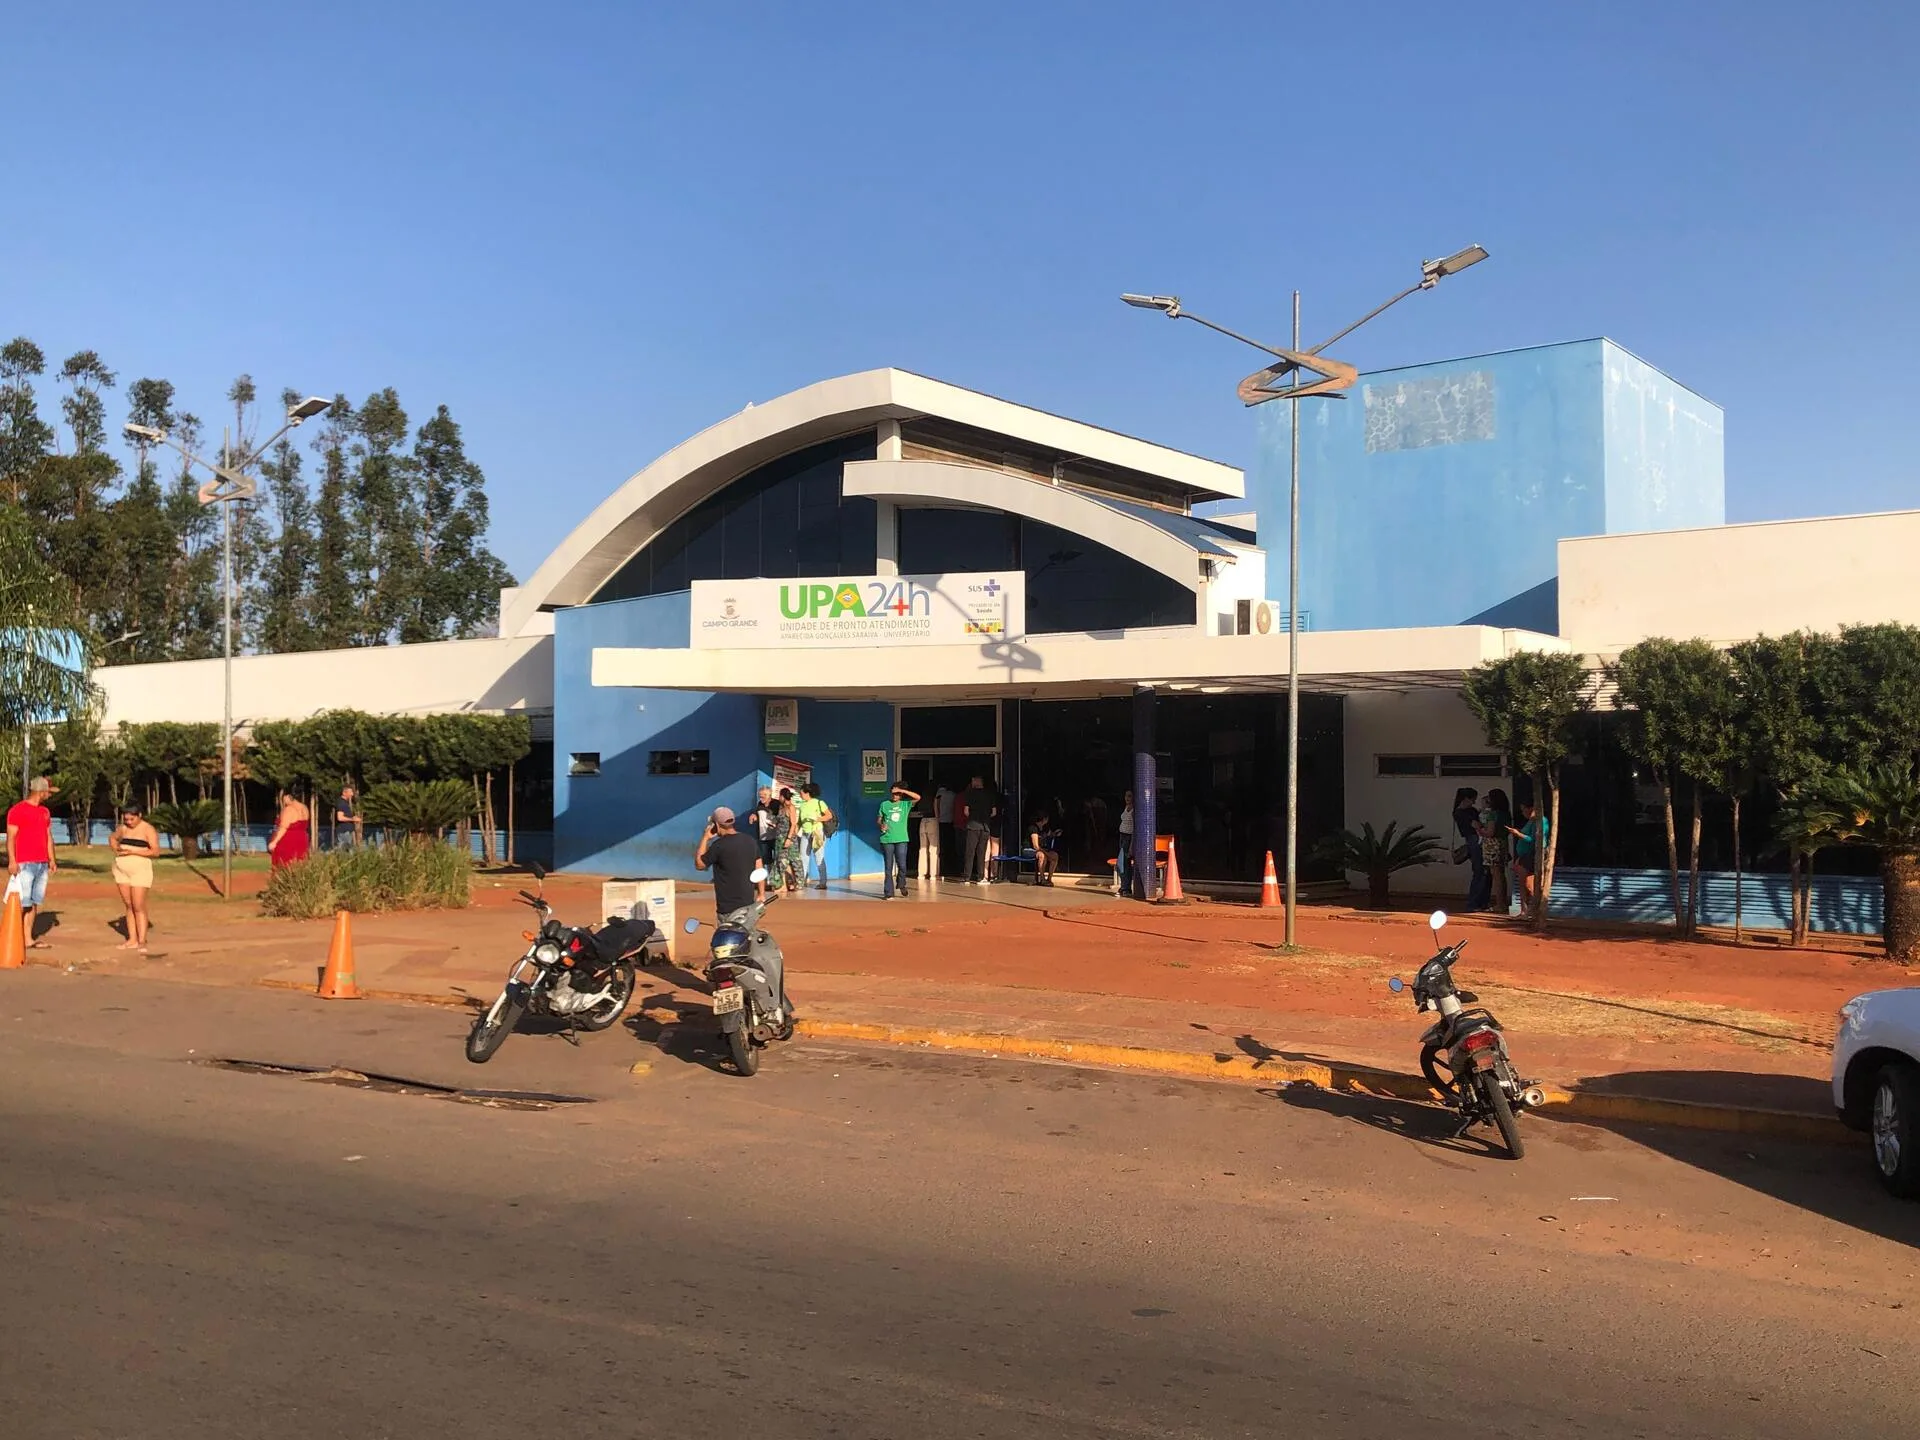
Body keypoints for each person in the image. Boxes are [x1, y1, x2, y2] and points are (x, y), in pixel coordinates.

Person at [5, 776, 59, 949]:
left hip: (41, 863)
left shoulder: (44, 812)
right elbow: (11, 837)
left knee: (34, 901)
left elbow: (48, 836)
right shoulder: (17, 810)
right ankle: (12, 936)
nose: (49, 796)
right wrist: (12, 861)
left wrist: (51, 859)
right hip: (24, 863)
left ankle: (27, 938)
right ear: (41, 792)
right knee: (22, 901)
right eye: (48, 792)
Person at [694, 805, 763, 918]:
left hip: (728, 909)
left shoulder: (718, 846)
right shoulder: (750, 841)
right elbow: (759, 868)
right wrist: (761, 893)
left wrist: (705, 838)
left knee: (727, 935)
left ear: (716, 825)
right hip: (749, 906)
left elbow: (699, 864)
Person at [110, 804, 160, 950]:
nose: (129, 822)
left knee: (138, 905)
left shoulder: (148, 829)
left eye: (132, 819)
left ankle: (142, 940)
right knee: (129, 905)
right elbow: (113, 838)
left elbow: (155, 851)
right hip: (122, 870)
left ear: (139, 816)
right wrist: (116, 848)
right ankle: (132, 939)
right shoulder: (123, 828)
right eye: (126, 819)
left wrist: (133, 852)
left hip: (140, 870)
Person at [1508, 798, 1550, 918]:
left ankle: (1535, 909)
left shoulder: (1541, 821)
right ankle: (1524, 910)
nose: (1523, 813)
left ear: (1531, 808)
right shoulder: (1530, 821)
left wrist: (1517, 834)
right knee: (1522, 883)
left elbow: (1534, 840)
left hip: (1532, 855)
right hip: (1524, 856)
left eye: (1524, 810)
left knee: (1529, 884)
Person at [876, 781, 918, 898]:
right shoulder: (884, 804)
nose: (895, 796)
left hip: (901, 839)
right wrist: (881, 825)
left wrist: (902, 790)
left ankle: (901, 884)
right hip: (887, 839)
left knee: (902, 865)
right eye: (893, 793)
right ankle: (888, 892)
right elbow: (879, 818)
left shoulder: (905, 804)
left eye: (897, 794)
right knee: (888, 867)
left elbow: (918, 797)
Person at [1478, 788, 1512, 917]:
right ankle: (1502, 901)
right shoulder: (1506, 813)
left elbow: (1490, 832)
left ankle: (1500, 903)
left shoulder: (1493, 814)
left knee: (1496, 874)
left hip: (1493, 845)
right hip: (1502, 843)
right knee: (1501, 874)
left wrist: (1479, 829)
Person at [1453, 786, 1488, 912]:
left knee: (1481, 871)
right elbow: (1477, 825)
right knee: (1479, 871)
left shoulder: (1462, 812)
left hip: (1473, 839)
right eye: (1473, 799)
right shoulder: (1463, 813)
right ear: (1466, 798)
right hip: (1474, 840)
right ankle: (1474, 902)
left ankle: (1480, 901)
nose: (1474, 801)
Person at [794, 782, 833, 891]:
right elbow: (800, 821)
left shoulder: (819, 803)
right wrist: (796, 828)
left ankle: (823, 882)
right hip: (805, 834)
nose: (800, 794)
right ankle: (801, 881)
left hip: (817, 833)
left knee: (819, 857)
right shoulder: (802, 805)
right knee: (803, 857)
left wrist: (816, 818)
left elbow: (828, 816)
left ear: (807, 793)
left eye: (801, 792)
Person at [959, 775, 994, 886]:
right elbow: (994, 812)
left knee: (970, 852)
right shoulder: (989, 794)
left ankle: (967, 878)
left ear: (976, 782)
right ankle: (981, 877)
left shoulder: (970, 794)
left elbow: (966, 811)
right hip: (985, 827)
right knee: (981, 852)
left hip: (973, 826)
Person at [268, 790, 312, 870]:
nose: (283, 800)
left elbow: (283, 827)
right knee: (300, 863)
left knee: (285, 865)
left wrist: (274, 842)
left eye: (283, 797)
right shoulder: (304, 808)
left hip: (288, 841)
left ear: (288, 796)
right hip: (302, 839)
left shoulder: (288, 809)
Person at [773, 787, 802, 893]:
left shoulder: (791, 808)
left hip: (788, 839)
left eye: (780, 796)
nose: (778, 798)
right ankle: (785, 884)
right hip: (780, 838)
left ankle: (794, 882)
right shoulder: (781, 807)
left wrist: (789, 838)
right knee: (782, 862)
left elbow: (793, 824)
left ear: (782, 796)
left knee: (790, 861)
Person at [915, 786, 941, 884]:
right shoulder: (935, 798)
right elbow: (936, 812)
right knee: (933, 848)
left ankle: (921, 873)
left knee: (922, 848)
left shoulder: (922, 799)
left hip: (923, 821)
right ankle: (933, 874)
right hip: (932, 821)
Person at [749, 785, 778, 870]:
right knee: (766, 859)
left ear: (769, 794)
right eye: (760, 795)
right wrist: (754, 816)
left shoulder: (776, 804)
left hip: (776, 836)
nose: (761, 797)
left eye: (764, 795)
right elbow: (758, 814)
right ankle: (769, 879)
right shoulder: (760, 804)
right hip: (763, 837)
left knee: (779, 859)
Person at [1028, 811, 1059, 887]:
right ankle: (1042, 879)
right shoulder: (1033, 828)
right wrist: (1047, 853)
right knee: (1042, 856)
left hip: (1043, 849)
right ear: (1044, 819)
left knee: (1054, 856)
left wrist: (1055, 834)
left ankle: (1049, 879)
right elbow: (1035, 846)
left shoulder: (1045, 828)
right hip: (1030, 850)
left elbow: (1050, 834)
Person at [934, 784, 956, 877]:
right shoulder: (953, 794)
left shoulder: (938, 795)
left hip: (940, 822)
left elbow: (936, 808)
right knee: (949, 846)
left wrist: (937, 818)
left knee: (941, 846)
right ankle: (949, 867)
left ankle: (941, 868)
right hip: (950, 822)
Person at [1115, 789, 1135, 896]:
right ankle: (1124, 886)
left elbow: (1134, 828)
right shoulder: (1125, 807)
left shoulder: (1134, 810)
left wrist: (1132, 845)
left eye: (1130, 796)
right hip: (1122, 836)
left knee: (1122, 863)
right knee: (1123, 863)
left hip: (1128, 838)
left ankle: (1126, 887)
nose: (1127, 798)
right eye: (1126, 796)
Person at [333, 783, 363, 848]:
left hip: (346, 832)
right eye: (350, 792)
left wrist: (352, 818)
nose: (352, 794)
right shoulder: (341, 803)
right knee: (344, 852)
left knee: (347, 851)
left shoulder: (344, 803)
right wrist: (352, 819)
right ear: (344, 792)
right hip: (343, 832)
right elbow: (340, 818)